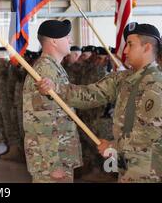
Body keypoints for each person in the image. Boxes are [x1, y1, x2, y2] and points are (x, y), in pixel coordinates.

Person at [36, 22, 162, 183]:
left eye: (130, 45)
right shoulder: (125, 78)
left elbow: (150, 132)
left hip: (151, 171)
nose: (125, 51)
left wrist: (114, 146)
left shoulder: (156, 84)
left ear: (147, 47)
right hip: (130, 167)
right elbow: (91, 94)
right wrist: (56, 89)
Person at [23, 19, 82, 183]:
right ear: (54, 41)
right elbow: (43, 120)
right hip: (52, 160)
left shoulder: (54, 67)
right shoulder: (46, 70)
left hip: (59, 153)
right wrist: (54, 163)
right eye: (67, 37)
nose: (70, 40)